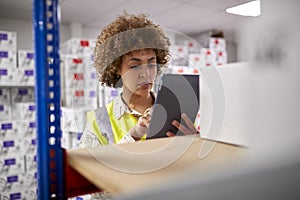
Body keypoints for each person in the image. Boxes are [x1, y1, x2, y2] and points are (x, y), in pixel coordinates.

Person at [79, 12, 199, 148]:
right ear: (116, 68)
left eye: (151, 64)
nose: (146, 74)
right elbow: (90, 168)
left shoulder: (176, 112)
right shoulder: (98, 121)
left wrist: (195, 143)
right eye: (135, 66)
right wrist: (133, 136)